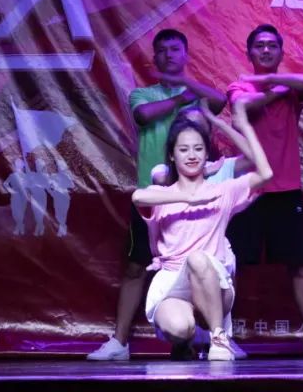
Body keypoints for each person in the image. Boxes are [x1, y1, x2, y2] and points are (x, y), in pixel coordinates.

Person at [89, 28, 226, 361]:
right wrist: (181, 98)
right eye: (162, 50)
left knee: (210, 267)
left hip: (196, 195)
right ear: (155, 58)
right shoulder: (143, 94)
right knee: (136, 267)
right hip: (154, 199)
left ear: (186, 54)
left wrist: (188, 87)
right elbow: (143, 115)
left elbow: (220, 102)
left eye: (175, 49)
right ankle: (119, 342)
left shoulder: (198, 93)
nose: (169, 55)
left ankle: (218, 338)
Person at [133, 98, 273, 361]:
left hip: (213, 281)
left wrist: (244, 125)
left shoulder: (223, 190)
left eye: (198, 149)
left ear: (207, 154)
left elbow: (265, 173)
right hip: (172, 280)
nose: (192, 155)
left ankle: (218, 337)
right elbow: (138, 197)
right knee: (179, 327)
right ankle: (185, 340)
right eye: (184, 149)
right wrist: (188, 198)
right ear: (172, 155)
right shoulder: (161, 193)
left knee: (197, 258)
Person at [224, 24, 303, 356]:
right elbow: (246, 106)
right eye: (259, 46)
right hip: (248, 190)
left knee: (300, 266)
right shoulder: (238, 85)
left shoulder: (291, 87)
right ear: (249, 52)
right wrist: (276, 89)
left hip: (287, 190)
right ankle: (222, 337)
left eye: (272, 45)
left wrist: (271, 82)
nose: (265, 50)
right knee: (232, 266)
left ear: (281, 51)